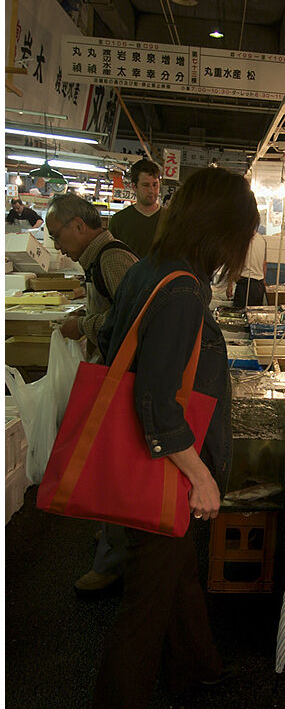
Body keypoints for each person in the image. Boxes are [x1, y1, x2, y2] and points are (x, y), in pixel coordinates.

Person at [86, 167, 259, 709]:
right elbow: (157, 407)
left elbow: (110, 341)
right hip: (162, 469)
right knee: (145, 608)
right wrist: (203, 475)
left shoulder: (146, 269)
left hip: (143, 463)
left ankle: (197, 669)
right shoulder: (183, 291)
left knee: (175, 573)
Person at [45, 194, 139, 594]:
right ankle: (111, 540)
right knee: (105, 467)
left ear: (79, 226)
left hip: (120, 378)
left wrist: (84, 326)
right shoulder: (97, 260)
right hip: (111, 373)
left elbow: (131, 317)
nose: (55, 247)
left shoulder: (111, 259)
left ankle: (114, 560)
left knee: (112, 470)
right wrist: (85, 318)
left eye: (57, 235)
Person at [109, 159, 164, 257]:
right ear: (134, 186)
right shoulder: (119, 221)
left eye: (155, 184)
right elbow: (111, 255)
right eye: (146, 185)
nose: (152, 190)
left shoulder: (172, 219)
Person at [231, 228, 267, 309]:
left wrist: (230, 285)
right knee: (254, 315)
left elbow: (235, 262)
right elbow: (264, 263)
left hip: (245, 285)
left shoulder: (242, 239)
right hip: (258, 285)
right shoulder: (262, 240)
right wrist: (263, 282)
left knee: (241, 315)